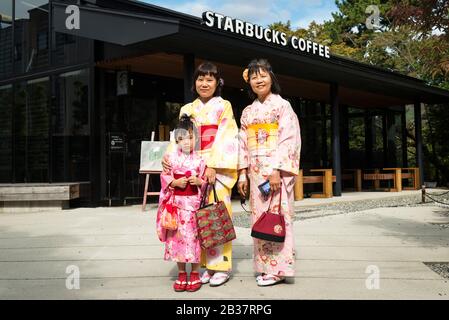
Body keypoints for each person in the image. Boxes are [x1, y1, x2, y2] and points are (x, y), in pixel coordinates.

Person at [162, 62, 238, 286]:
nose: (204, 83)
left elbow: (227, 136)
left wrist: (213, 165)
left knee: (216, 214)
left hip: (214, 167)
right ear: (194, 82)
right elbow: (179, 138)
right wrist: (169, 158)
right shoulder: (187, 108)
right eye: (200, 79)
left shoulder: (224, 106)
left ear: (217, 83)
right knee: (196, 220)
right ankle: (203, 264)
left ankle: (220, 266)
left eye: (210, 79)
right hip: (190, 165)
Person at [237, 58, 301, 286]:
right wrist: (243, 173)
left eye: (262, 75)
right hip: (255, 174)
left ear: (271, 78)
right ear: (250, 83)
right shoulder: (247, 112)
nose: (258, 80)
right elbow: (242, 143)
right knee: (259, 218)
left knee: (278, 217)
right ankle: (265, 267)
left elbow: (288, 140)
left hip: (276, 173)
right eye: (254, 77)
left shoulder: (283, 106)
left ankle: (279, 269)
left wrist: (276, 169)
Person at [156, 114, 207, 292]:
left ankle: (194, 274)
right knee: (177, 240)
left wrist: (200, 182)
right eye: (182, 138)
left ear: (196, 139)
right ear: (176, 140)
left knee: (194, 240)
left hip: (193, 206)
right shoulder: (170, 158)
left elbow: (205, 181)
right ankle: (181, 274)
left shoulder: (200, 160)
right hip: (176, 206)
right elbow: (164, 176)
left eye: (191, 137)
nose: (187, 142)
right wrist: (174, 183)